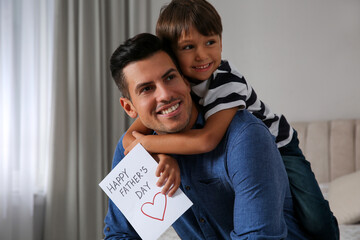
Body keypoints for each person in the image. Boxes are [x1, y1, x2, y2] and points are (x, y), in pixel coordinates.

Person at [122, 1, 339, 239]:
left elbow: (207, 140)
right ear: (172, 53)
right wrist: (163, 156)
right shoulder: (173, 85)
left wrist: (147, 145)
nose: (202, 55)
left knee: (315, 219)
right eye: (188, 47)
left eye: (210, 42)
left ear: (221, 42)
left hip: (281, 145)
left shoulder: (226, 82)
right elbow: (129, 138)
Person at [104, 33, 308, 239]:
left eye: (170, 77)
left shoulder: (245, 137)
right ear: (129, 107)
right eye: (147, 89)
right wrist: (158, 155)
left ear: (185, 80)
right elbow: (119, 234)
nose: (165, 95)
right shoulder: (132, 150)